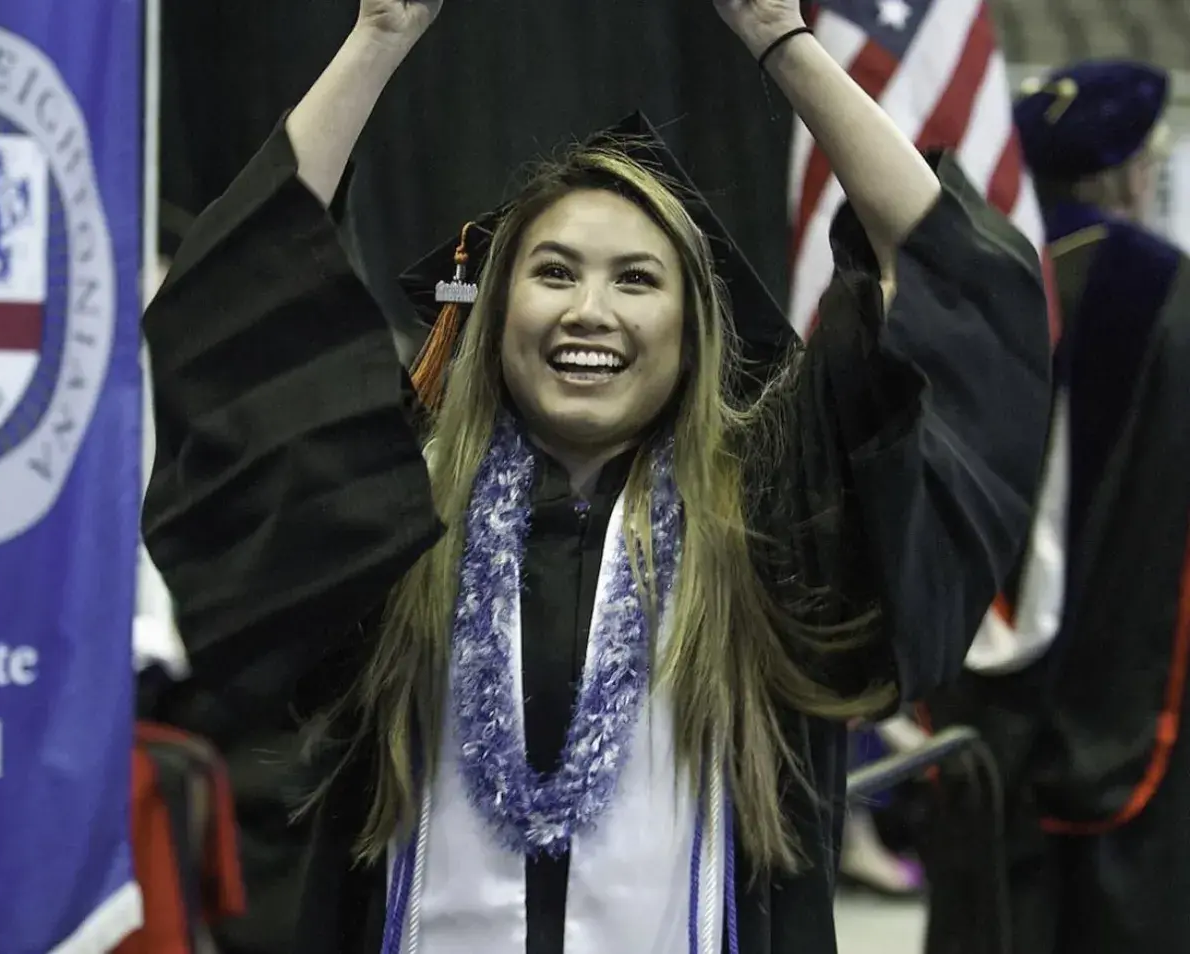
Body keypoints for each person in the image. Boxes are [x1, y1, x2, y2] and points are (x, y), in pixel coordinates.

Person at [139, 0, 1051, 951]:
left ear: (694, 329)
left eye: (636, 279)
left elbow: (953, 280)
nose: (590, 311)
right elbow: (248, 290)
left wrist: (783, 40)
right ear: (494, 313)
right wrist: (379, 39)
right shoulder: (388, 523)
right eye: (554, 272)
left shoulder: (769, 530)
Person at [922, 60, 1190, 954]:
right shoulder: (1169, 295)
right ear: (1131, 170)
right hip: (1136, 686)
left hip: (979, 693)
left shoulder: (976, 278)